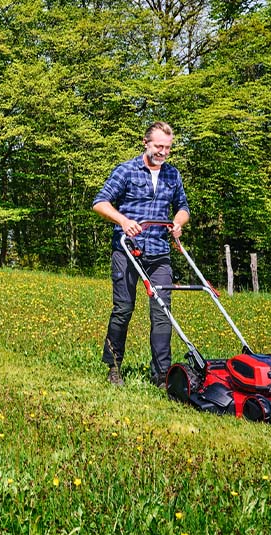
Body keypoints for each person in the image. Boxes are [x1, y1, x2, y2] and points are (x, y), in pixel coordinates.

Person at [93, 121, 190, 387]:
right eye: (159, 146)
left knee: (162, 311)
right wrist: (123, 221)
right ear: (146, 143)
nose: (163, 152)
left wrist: (179, 222)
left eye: (167, 148)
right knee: (123, 308)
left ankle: (162, 374)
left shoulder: (173, 175)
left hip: (159, 251)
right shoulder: (126, 170)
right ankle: (113, 368)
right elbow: (100, 202)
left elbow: (183, 207)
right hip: (126, 249)